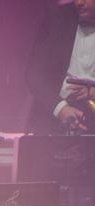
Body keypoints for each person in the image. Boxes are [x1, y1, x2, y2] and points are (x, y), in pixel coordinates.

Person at [27, 0, 95, 134]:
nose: (79, 2)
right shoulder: (57, 18)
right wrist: (60, 109)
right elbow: (34, 73)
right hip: (55, 113)